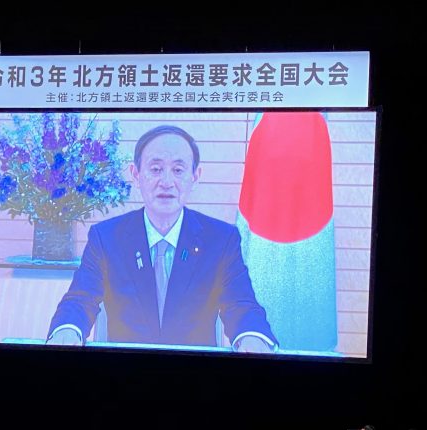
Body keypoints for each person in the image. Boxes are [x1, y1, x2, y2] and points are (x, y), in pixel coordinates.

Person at [47, 125, 278, 351]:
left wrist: (252, 339)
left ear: (195, 176)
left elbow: (241, 304)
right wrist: (67, 330)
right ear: (136, 175)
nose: (166, 182)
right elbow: (80, 298)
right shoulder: (107, 238)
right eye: (156, 169)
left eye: (178, 170)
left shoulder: (220, 239)